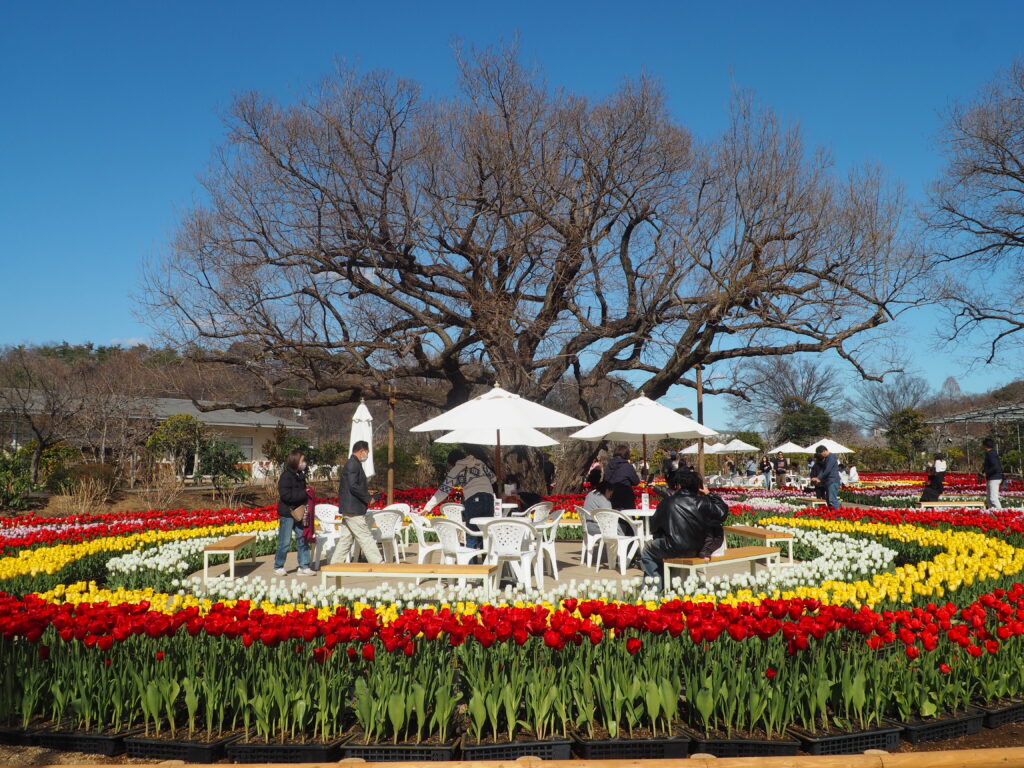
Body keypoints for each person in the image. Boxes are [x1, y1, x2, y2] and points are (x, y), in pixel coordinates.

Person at [640, 469, 730, 590]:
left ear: (679, 485)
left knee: (647, 550)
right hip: (698, 549)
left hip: (671, 547)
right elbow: (722, 512)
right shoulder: (704, 503)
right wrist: (709, 493)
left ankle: (655, 587)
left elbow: (654, 527)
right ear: (698, 486)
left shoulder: (668, 502)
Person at [422, 448, 496, 547]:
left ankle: (471, 562)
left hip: (473, 499)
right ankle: (486, 561)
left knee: (471, 534)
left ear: (453, 461)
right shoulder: (479, 463)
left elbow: (444, 490)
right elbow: (493, 478)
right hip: (489, 497)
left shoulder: (456, 469)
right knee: (485, 532)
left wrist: (427, 507)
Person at [330, 440, 383, 565]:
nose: (367, 455)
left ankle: (334, 566)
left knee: (346, 540)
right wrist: (368, 498)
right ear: (362, 451)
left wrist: (367, 494)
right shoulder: (353, 464)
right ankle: (378, 563)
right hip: (353, 509)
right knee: (365, 536)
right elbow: (353, 486)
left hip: (350, 508)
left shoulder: (353, 463)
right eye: (367, 452)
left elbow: (353, 486)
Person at [274, 449, 315, 576]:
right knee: (285, 542)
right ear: (295, 461)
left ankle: (304, 565)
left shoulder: (300, 475)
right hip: (288, 513)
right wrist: (304, 493)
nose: (304, 463)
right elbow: (286, 495)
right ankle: (278, 566)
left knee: (303, 538)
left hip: (300, 512)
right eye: (302, 461)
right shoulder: (286, 476)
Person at [809, 445, 840, 510]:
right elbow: (823, 469)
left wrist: (819, 478)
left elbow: (827, 470)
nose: (820, 456)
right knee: (828, 500)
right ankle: (832, 515)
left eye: (820, 454)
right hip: (828, 481)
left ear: (824, 451)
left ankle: (837, 515)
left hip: (833, 481)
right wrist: (818, 477)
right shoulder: (827, 458)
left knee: (832, 500)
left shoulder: (831, 457)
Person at [982, 438, 1004, 510]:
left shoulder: (991, 454)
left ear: (985, 446)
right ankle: (992, 513)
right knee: (988, 499)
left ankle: (1001, 513)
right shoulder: (991, 453)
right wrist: (983, 472)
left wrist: (986, 473)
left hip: (994, 478)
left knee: (993, 498)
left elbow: (995, 467)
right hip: (992, 477)